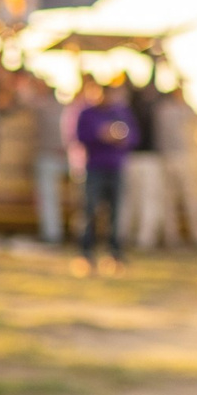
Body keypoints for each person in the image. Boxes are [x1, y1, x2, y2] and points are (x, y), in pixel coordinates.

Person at [74, 77, 137, 271]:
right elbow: (79, 137)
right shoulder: (87, 113)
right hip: (94, 168)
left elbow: (134, 137)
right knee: (90, 211)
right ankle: (86, 254)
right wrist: (100, 135)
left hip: (116, 168)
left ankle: (115, 254)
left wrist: (120, 138)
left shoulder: (121, 113)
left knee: (116, 213)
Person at [153, 74, 197, 248]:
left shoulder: (182, 109)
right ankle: (172, 237)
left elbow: (195, 118)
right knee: (169, 200)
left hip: (182, 157)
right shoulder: (164, 109)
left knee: (190, 198)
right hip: (167, 157)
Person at [121, 66, 167, 251]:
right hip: (144, 159)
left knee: (132, 200)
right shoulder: (144, 105)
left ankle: (134, 236)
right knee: (145, 200)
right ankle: (141, 237)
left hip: (136, 158)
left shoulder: (129, 106)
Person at [20, 71, 66, 243]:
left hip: (51, 156)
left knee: (49, 199)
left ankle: (52, 234)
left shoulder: (43, 105)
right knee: (49, 198)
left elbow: (24, 98)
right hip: (55, 156)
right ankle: (53, 234)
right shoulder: (60, 107)